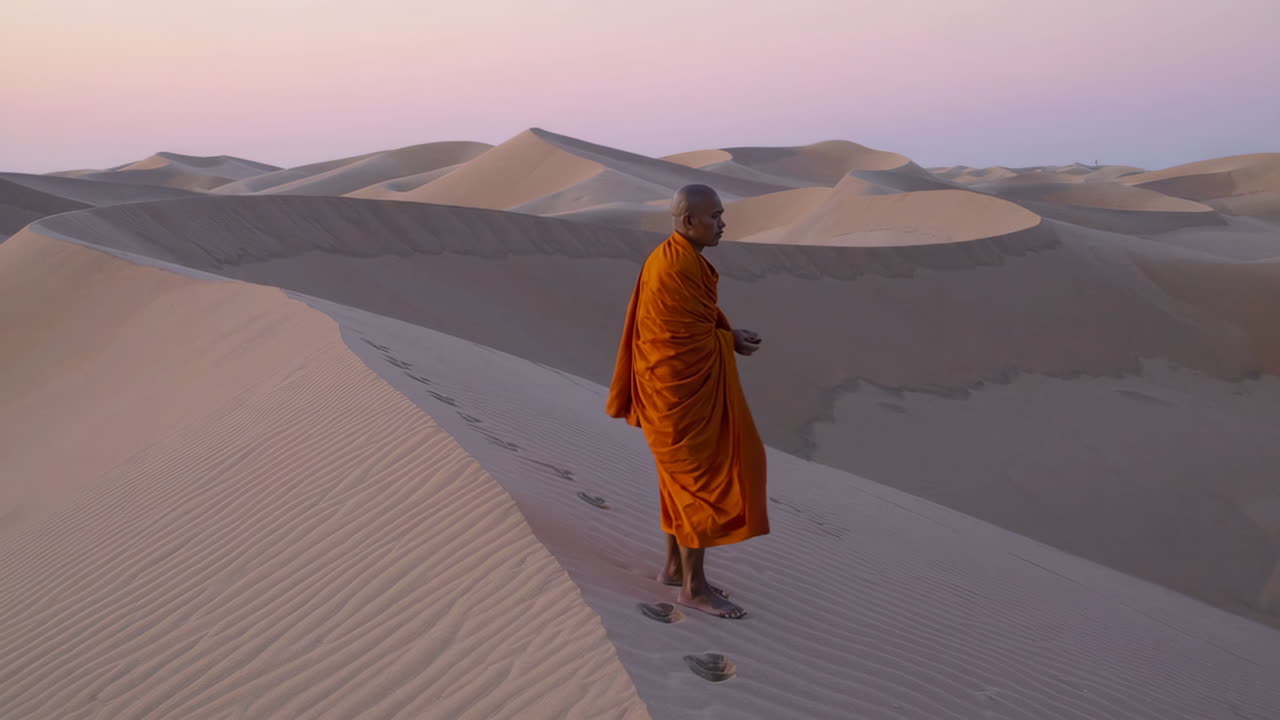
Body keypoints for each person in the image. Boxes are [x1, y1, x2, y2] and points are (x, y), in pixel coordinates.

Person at [606, 183, 769, 619]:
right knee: (698, 487)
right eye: (714, 216)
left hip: (675, 393)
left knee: (681, 487)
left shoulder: (681, 259)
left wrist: (728, 337)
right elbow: (683, 343)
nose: (722, 224)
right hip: (676, 395)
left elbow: (691, 328)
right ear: (687, 220)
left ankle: (676, 569)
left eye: (721, 215)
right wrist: (724, 340)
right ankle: (694, 590)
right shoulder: (674, 267)